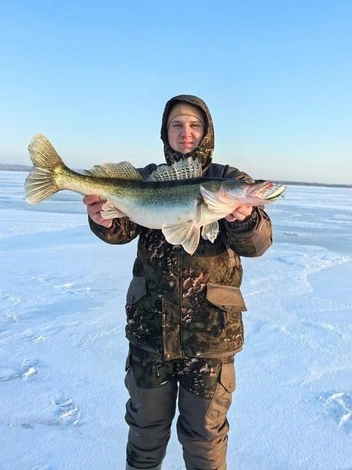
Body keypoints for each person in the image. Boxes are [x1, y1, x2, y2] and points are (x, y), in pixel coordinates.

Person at [83, 95, 273, 470]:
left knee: (205, 439)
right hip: (150, 330)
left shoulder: (230, 180)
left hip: (211, 337)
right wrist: (103, 220)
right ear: (165, 132)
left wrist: (242, 217)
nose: (186, 133)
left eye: (194, 125)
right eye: (177, 124)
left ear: (207, 131)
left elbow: (258, 242)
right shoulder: (145, 178)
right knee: (145, 432)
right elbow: (123, 229)